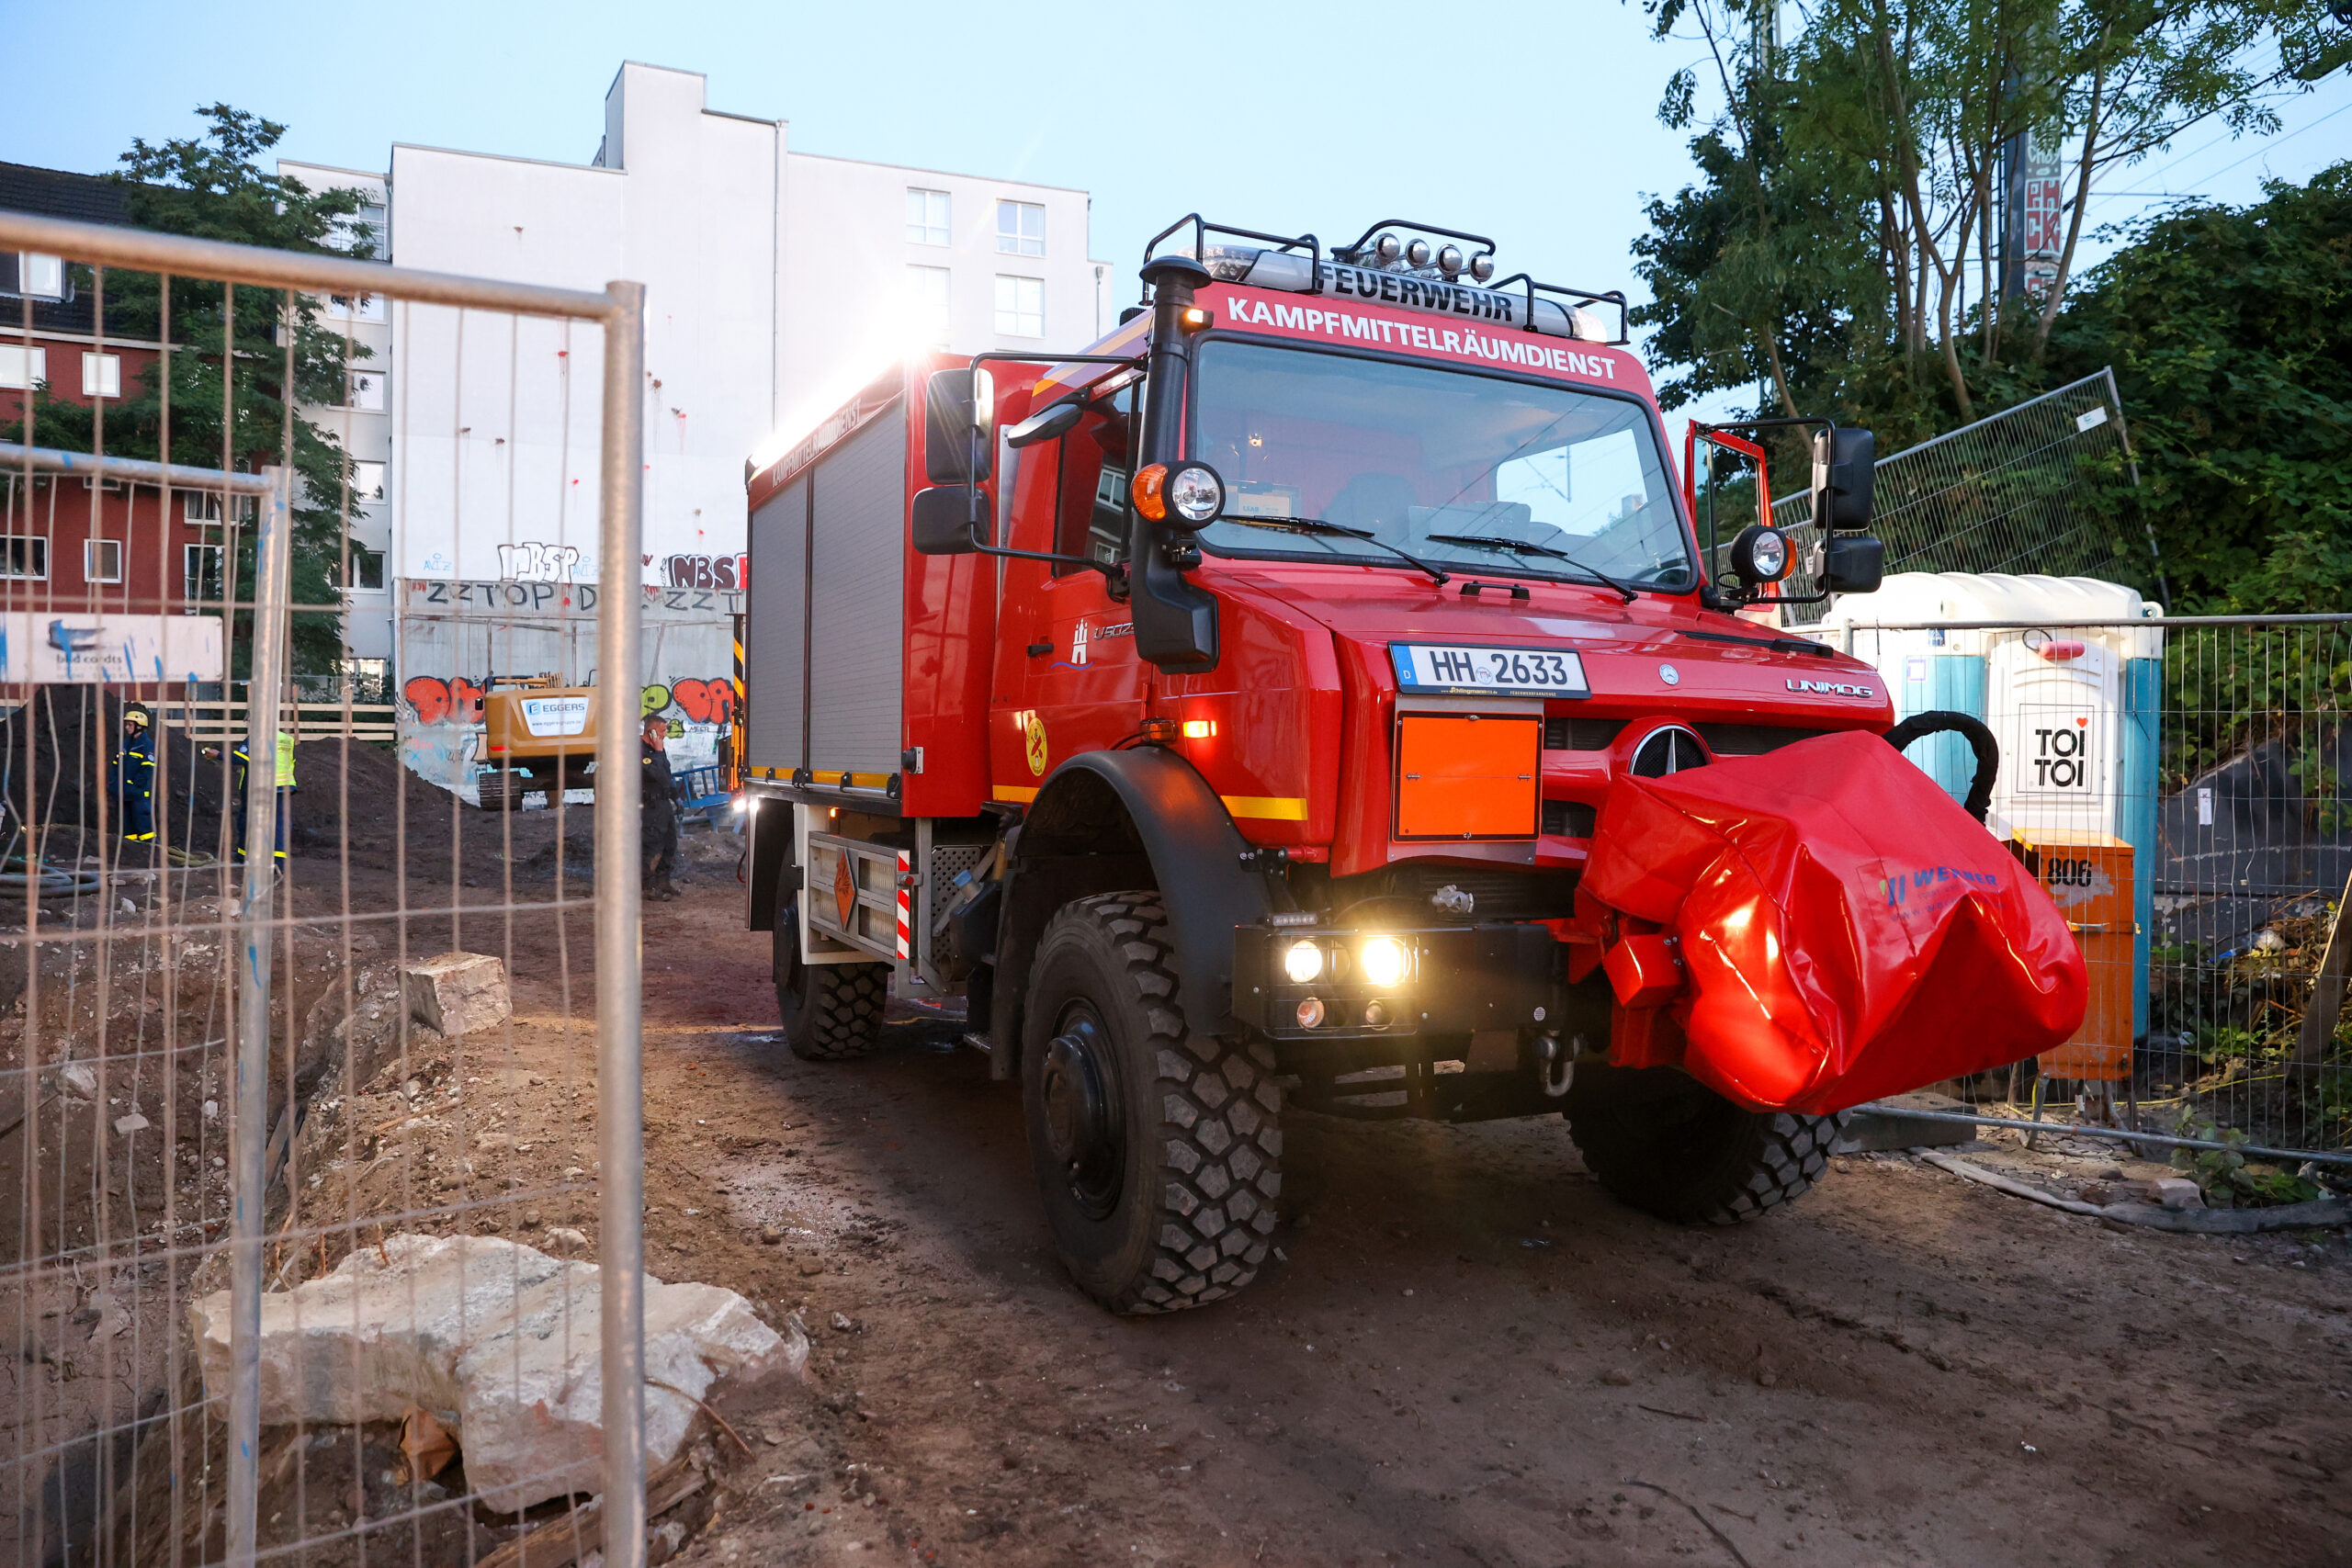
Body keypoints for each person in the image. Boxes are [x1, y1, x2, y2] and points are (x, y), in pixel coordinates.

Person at [640, 713, 679, 901]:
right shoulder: (639, 750)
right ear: (652, 731)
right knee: (650, 846)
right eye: (662, 731)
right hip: (649, 806)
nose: (665, 735)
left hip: (663, 804)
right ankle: (647, 887)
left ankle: (663, 882)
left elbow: (668, 776)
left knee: (670, 844)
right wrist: (657, 751)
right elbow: (658, 775)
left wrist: (676, 798)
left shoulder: (658, 750)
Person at [111, 705, 156, 843]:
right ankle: (132, 852)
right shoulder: (125, 744)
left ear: (139, 726)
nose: (127, 727)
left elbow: (147, 768)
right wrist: (113, 783)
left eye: (130, 724)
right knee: (127, 825)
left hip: (138, 793)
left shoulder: (147, 745)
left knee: (143, 822)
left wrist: (135, 785)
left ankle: (152, 848)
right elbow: (116, 764)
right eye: (126, 724)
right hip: (124, 791)